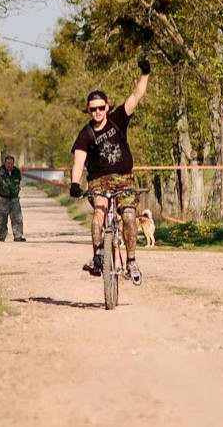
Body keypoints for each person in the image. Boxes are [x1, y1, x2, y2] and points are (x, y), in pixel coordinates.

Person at [69, 59, 151, 285]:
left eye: (100, 107)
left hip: (124, 179)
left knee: (128, 216)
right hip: (99, 182)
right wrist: (75, 183)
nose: (97, 112)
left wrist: (145, 73)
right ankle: (98, 257)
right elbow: (79, 161)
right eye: (92, 109)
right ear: (88, 110)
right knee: (98, 215)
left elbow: (136, 95)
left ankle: (131, 261)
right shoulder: (85, 134)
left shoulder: (117, 119)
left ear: (107, 106)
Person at [0, 155, 25, 242]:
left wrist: (17, 189)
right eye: (8, 163)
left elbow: (18, 181)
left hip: (14, 199)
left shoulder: (16, 171)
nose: (10, 165)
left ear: (13, 163)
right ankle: (1, 238)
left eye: (11, 163)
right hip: (2, 199)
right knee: (1, 219)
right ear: (5, 163)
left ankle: (18, 236)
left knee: (17, 218)